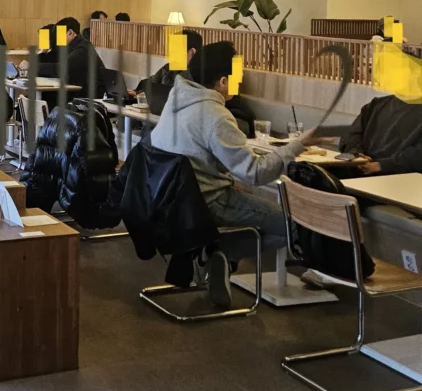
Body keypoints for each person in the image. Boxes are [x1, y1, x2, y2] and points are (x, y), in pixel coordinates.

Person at [149, 41, 320, 306]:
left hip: (169, 198)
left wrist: (225, 177)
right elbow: (254, 172)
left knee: (258, 203)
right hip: (207, 202)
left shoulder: (176, 99)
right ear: (222, 81)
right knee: (296, 223)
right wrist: (296, 146)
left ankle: (216, 253)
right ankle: (222, 252)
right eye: (238, 75)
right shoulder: (216, 115)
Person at [24, 16, 107, 100]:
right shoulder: (74, 47)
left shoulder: (82, 49)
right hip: (81, 92)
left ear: (70, 33)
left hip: (90, 97)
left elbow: (61, 69)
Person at [340, 94, 422, 175]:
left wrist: (381, 165)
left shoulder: (377, 104)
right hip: (357, 169)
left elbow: (418, 156)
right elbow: (352, 134)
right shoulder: (376, 104)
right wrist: (356, 154)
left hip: (400, 177)